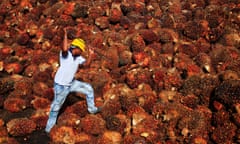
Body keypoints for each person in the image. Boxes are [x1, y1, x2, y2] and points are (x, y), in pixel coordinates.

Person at [45, 28, 101, 133]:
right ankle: (49, 128)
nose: (81, 52)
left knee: (88, 89)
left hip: (71, 83)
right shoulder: (66, 55)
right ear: (76, 48)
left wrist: (91, 55)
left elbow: (86, 65)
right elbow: (65, 48)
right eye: (81, 50)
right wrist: (65, 35)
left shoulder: (78, 57)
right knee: (56, 107)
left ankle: (92, 109)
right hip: (61, 86)